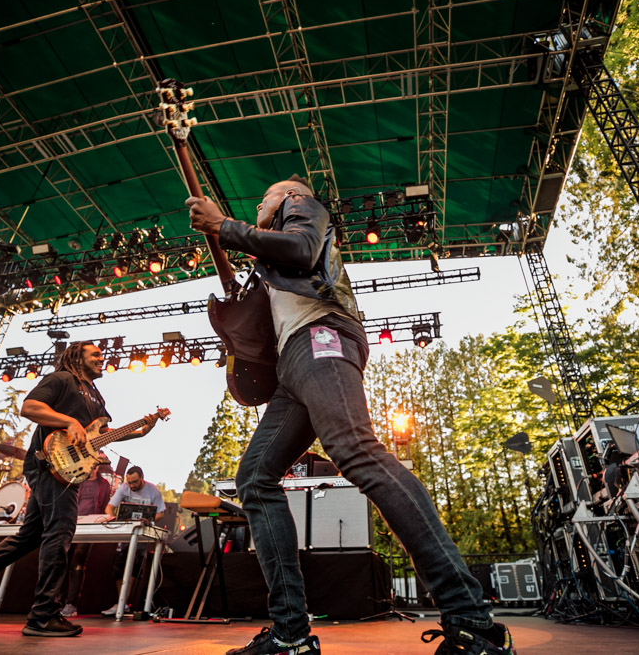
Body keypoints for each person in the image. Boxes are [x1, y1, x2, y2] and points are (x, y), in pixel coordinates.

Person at [187, 176, 516, 655]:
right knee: (255, 478)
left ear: (286, 196)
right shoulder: (265, 259)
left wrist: (226, 226)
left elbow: (301, 250)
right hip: (292, 365)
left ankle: (472, 620)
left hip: (321, 336)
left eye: (264, 197)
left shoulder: (302, 207)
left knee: (356, 451)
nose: (259, 203)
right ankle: (290, 636)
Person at [0, 341, 160, 637]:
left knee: (26, 539)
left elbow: (101, 435)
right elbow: (30, 407)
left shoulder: (96, 398)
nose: (102, 358)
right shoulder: (61, 379)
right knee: (59, 534)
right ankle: (43, 616)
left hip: (69, 472)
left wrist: (139, 431)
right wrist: (68, 421)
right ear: (77, 357)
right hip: (49, 465)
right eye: (95, 354)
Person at [100, 465, 166, 616]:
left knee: (135, 565)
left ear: (142, 478)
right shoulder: (123, 488)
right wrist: (112, 518)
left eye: (135, 482)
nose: (131, 485)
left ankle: (125, 602)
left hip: (142, 533)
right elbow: (109, 507)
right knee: (119, 566)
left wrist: (149, 520)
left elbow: (161, 513)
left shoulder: (153, 490)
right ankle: (121, 602)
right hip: (126, 533)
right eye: (129, 482)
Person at [60, 458, 112, 618]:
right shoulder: (77, 480)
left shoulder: (104, 485)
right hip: (72, 521)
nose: (92, 469)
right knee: (62, 559)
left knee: (79, 560)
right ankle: (58, 601)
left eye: (95, 466)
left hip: (89, 524)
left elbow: (104, 506)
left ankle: (72, 603)